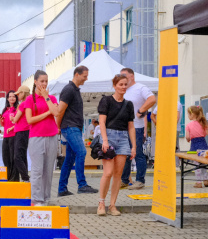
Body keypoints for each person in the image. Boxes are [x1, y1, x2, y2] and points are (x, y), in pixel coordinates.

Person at [96, 75, 136, 216]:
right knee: (108, 173)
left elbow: (131, 126)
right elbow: (101, 122)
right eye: (121, 84)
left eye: (125, 84)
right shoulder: (106, 100)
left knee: (118, 174)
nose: (123, 87)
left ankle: (113, 205)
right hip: (109, 137)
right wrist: (105, 140)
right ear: (114, 85)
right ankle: (101, 203)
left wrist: (134, 146)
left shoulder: (129, 104)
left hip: (124, 138)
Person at [55, 66, 97, 197]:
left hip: (74, 127)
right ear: (77, 75)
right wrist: (58, 127)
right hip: (70, 127)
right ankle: (82, 185)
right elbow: (60, 110)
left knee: (69, 159)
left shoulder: (75, 90)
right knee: (82, 151)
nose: (86, 78)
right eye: (84, 76)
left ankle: (62, 189)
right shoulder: (68, 90)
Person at [24, 70, 61, 206]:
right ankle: (36, 199)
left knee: (48, 169)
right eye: (42, 81)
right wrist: (47, 113)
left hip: (51, 137)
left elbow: (56, 112)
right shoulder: (29, 99)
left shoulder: (52, 98)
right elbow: (29, 120)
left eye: (46, 81)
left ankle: (46, 198)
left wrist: (46, 98)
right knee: (37, 170)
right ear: (35, 82)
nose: (44, 84)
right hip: (36, 138)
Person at [119, 67, 156, 189]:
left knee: (138, 153)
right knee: (125, 154)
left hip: (136, 127)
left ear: (132, 76)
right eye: (121, 76)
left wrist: (141, 110)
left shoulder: (140, 88)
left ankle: (140, 180)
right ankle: (124, 180)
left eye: (124, 75)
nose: (122, 78)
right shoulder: (124, 90)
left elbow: (152, 99)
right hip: (124, 127)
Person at [185, 105, 208, 188]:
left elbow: (187, 137)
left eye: (188, 114)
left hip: (194, 146)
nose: (188, 116)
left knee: (196, 165)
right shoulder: (203, 123)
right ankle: (206, 180)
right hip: (203, 145)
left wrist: (188, 139)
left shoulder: (188, 125)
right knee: (204, 164)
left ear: (192, 114)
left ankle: (198, 182)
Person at [11, 86, 31, 181]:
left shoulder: (23, 104)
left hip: (21, 131)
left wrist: (12, 119)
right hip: (25, 131)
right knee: (22, 156)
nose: (17, 95)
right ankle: (25, 178)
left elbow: (15, 119)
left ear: (23, 93)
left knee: (18, 157)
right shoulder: (29, 103)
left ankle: (25, 177)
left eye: (19, 93)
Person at [0, 91, 19, 181]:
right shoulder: (5, 110)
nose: (12, 98)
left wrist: (12, 127)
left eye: (14, 96)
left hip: (14, 135)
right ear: (7, 98)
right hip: (5, 136)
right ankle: (8, 177)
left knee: (13, 158)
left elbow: (20, 122)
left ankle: (14, 178)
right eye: (10, 96)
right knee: (5, 157)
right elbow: (3, 124)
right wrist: (0, 120)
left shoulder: (18, 109)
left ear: (16, 98)